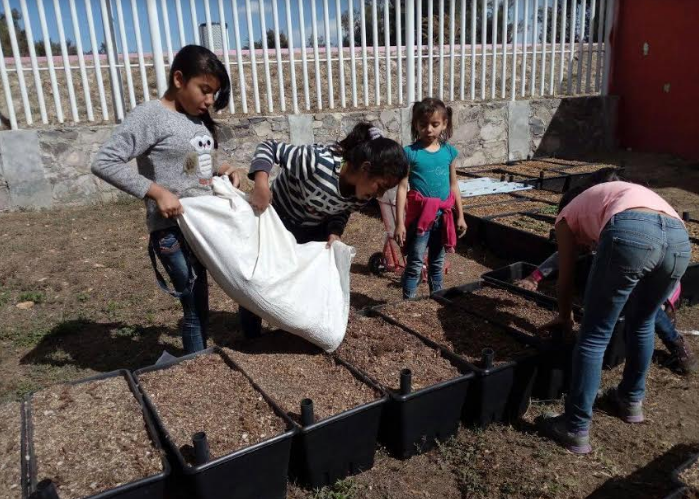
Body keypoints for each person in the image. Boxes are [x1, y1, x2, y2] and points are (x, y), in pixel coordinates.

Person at [92, 45, 240, 354]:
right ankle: (197, 367)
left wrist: (223, 169)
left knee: (234, 284)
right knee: (195, 304)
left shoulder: (198, 119)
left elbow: (197, 164)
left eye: (214, 93)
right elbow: (105, 162)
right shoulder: (150, 116)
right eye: (205, 90)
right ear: (178, 79)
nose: (210, 100)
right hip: (172, 230)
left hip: (206, 224)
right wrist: (157, 192)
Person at [537, 179, 691, 454]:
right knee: (643, 322)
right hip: (679, 237)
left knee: (594, 335)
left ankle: (574, 426)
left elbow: (565, 279)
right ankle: (630, 400)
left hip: (633, 232)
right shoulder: (609, 197)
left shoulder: (566, 216)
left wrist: (565, 317)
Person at [240, 123, 409, 337]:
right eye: (381, 186)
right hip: (277, 220)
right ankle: (250, 336)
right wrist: (261, 185)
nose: (380, 195)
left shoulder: (361, 195)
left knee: (308, 279)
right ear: (365, 169)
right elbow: (269, 147)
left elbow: (342, 210)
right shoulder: (318, 161)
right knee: (259, 277)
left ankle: (295, 330)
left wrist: (335, 232)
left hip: (313, 227)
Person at [517, 253, 697, 374]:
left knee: (643, 308)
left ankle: (676, 342)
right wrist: (535, 277)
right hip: (650, 270)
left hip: (662, 290)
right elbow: (564, 254)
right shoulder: (599, 230)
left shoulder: (622, 239)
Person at [394, 98, 467, 299]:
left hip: (443, 217)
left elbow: (453, 185)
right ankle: (408, 301)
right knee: (415, 261)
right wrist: (399, 223)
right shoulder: (410, 153)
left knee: (437, 261)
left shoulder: (449, 152)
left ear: (444, 124)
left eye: (434, 124)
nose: (428, 129)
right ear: (415, 125)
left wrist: (460, 215)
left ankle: (437, 297)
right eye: (423, 124)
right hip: (420, 220)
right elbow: (402, 188)